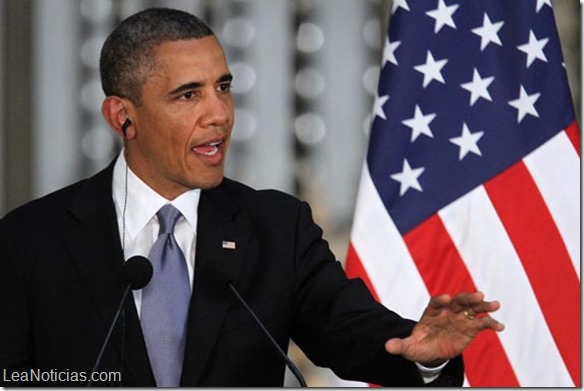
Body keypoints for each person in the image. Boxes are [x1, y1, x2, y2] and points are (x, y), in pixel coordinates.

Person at [0, 7, 504, 387]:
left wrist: (424, 352)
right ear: (121, 116)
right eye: (188, 95)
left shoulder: (275, 227)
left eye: (223, 87)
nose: (219, 114)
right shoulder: (29, 242)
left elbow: (350, 328)